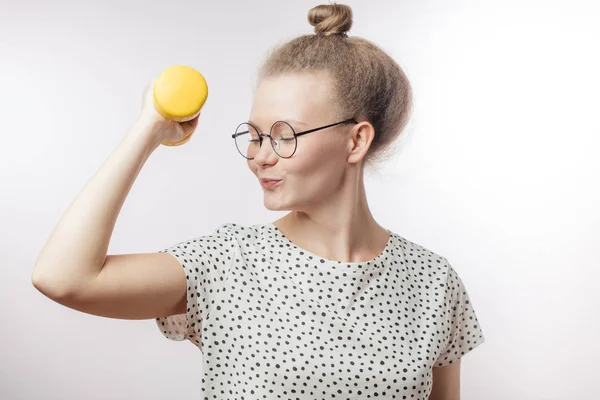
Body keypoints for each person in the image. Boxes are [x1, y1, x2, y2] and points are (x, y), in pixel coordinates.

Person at [32, 3, 485, 399]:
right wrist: (148, 130)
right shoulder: (226, 263)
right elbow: (62, 277)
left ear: (356, 141)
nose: (259, 156)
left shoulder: (433, 282)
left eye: (285, 135)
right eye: (254, 136)